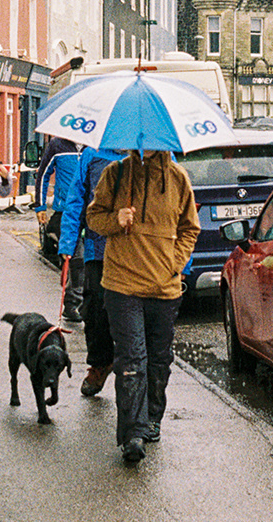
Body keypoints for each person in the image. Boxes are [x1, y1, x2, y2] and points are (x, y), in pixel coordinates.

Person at [85, 149, 200, 466]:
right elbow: (93, 218)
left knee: (158, 358)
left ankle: (151, 419)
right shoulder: (115, 173)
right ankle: (132, 434)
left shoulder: (177, 178)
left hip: (164, 286)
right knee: (132, 357)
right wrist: (114, 219)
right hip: (122, 284)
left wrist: (173, 264)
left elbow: (190, 228)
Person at [57, 144, 118, 396]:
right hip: (98, 248)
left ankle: (136, 371)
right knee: (94, 311)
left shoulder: (153, 151)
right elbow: (76, 200)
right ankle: (100, 363)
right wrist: (68, 242)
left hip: (138, 253)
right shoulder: (93, 153)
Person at [33, 134, 84, 321]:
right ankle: (72, 304)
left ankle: (83, 300)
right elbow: (43, 174)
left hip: (89, 210)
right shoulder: (58, 144)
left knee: (89, 259)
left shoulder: (93, 145)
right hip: (65, 211)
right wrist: (40, 206)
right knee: (76, 258)